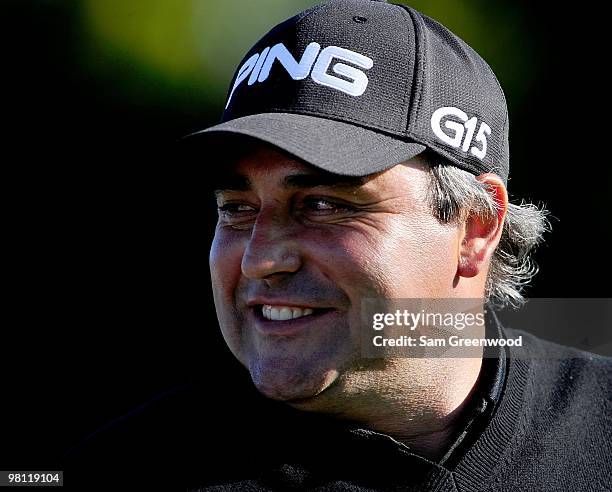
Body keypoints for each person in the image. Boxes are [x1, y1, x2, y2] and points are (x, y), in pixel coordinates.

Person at [67, 1, 611, 490]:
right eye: (237, 208)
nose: (261, 258)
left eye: (324, 205)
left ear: (476, 226)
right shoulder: (123, 471)